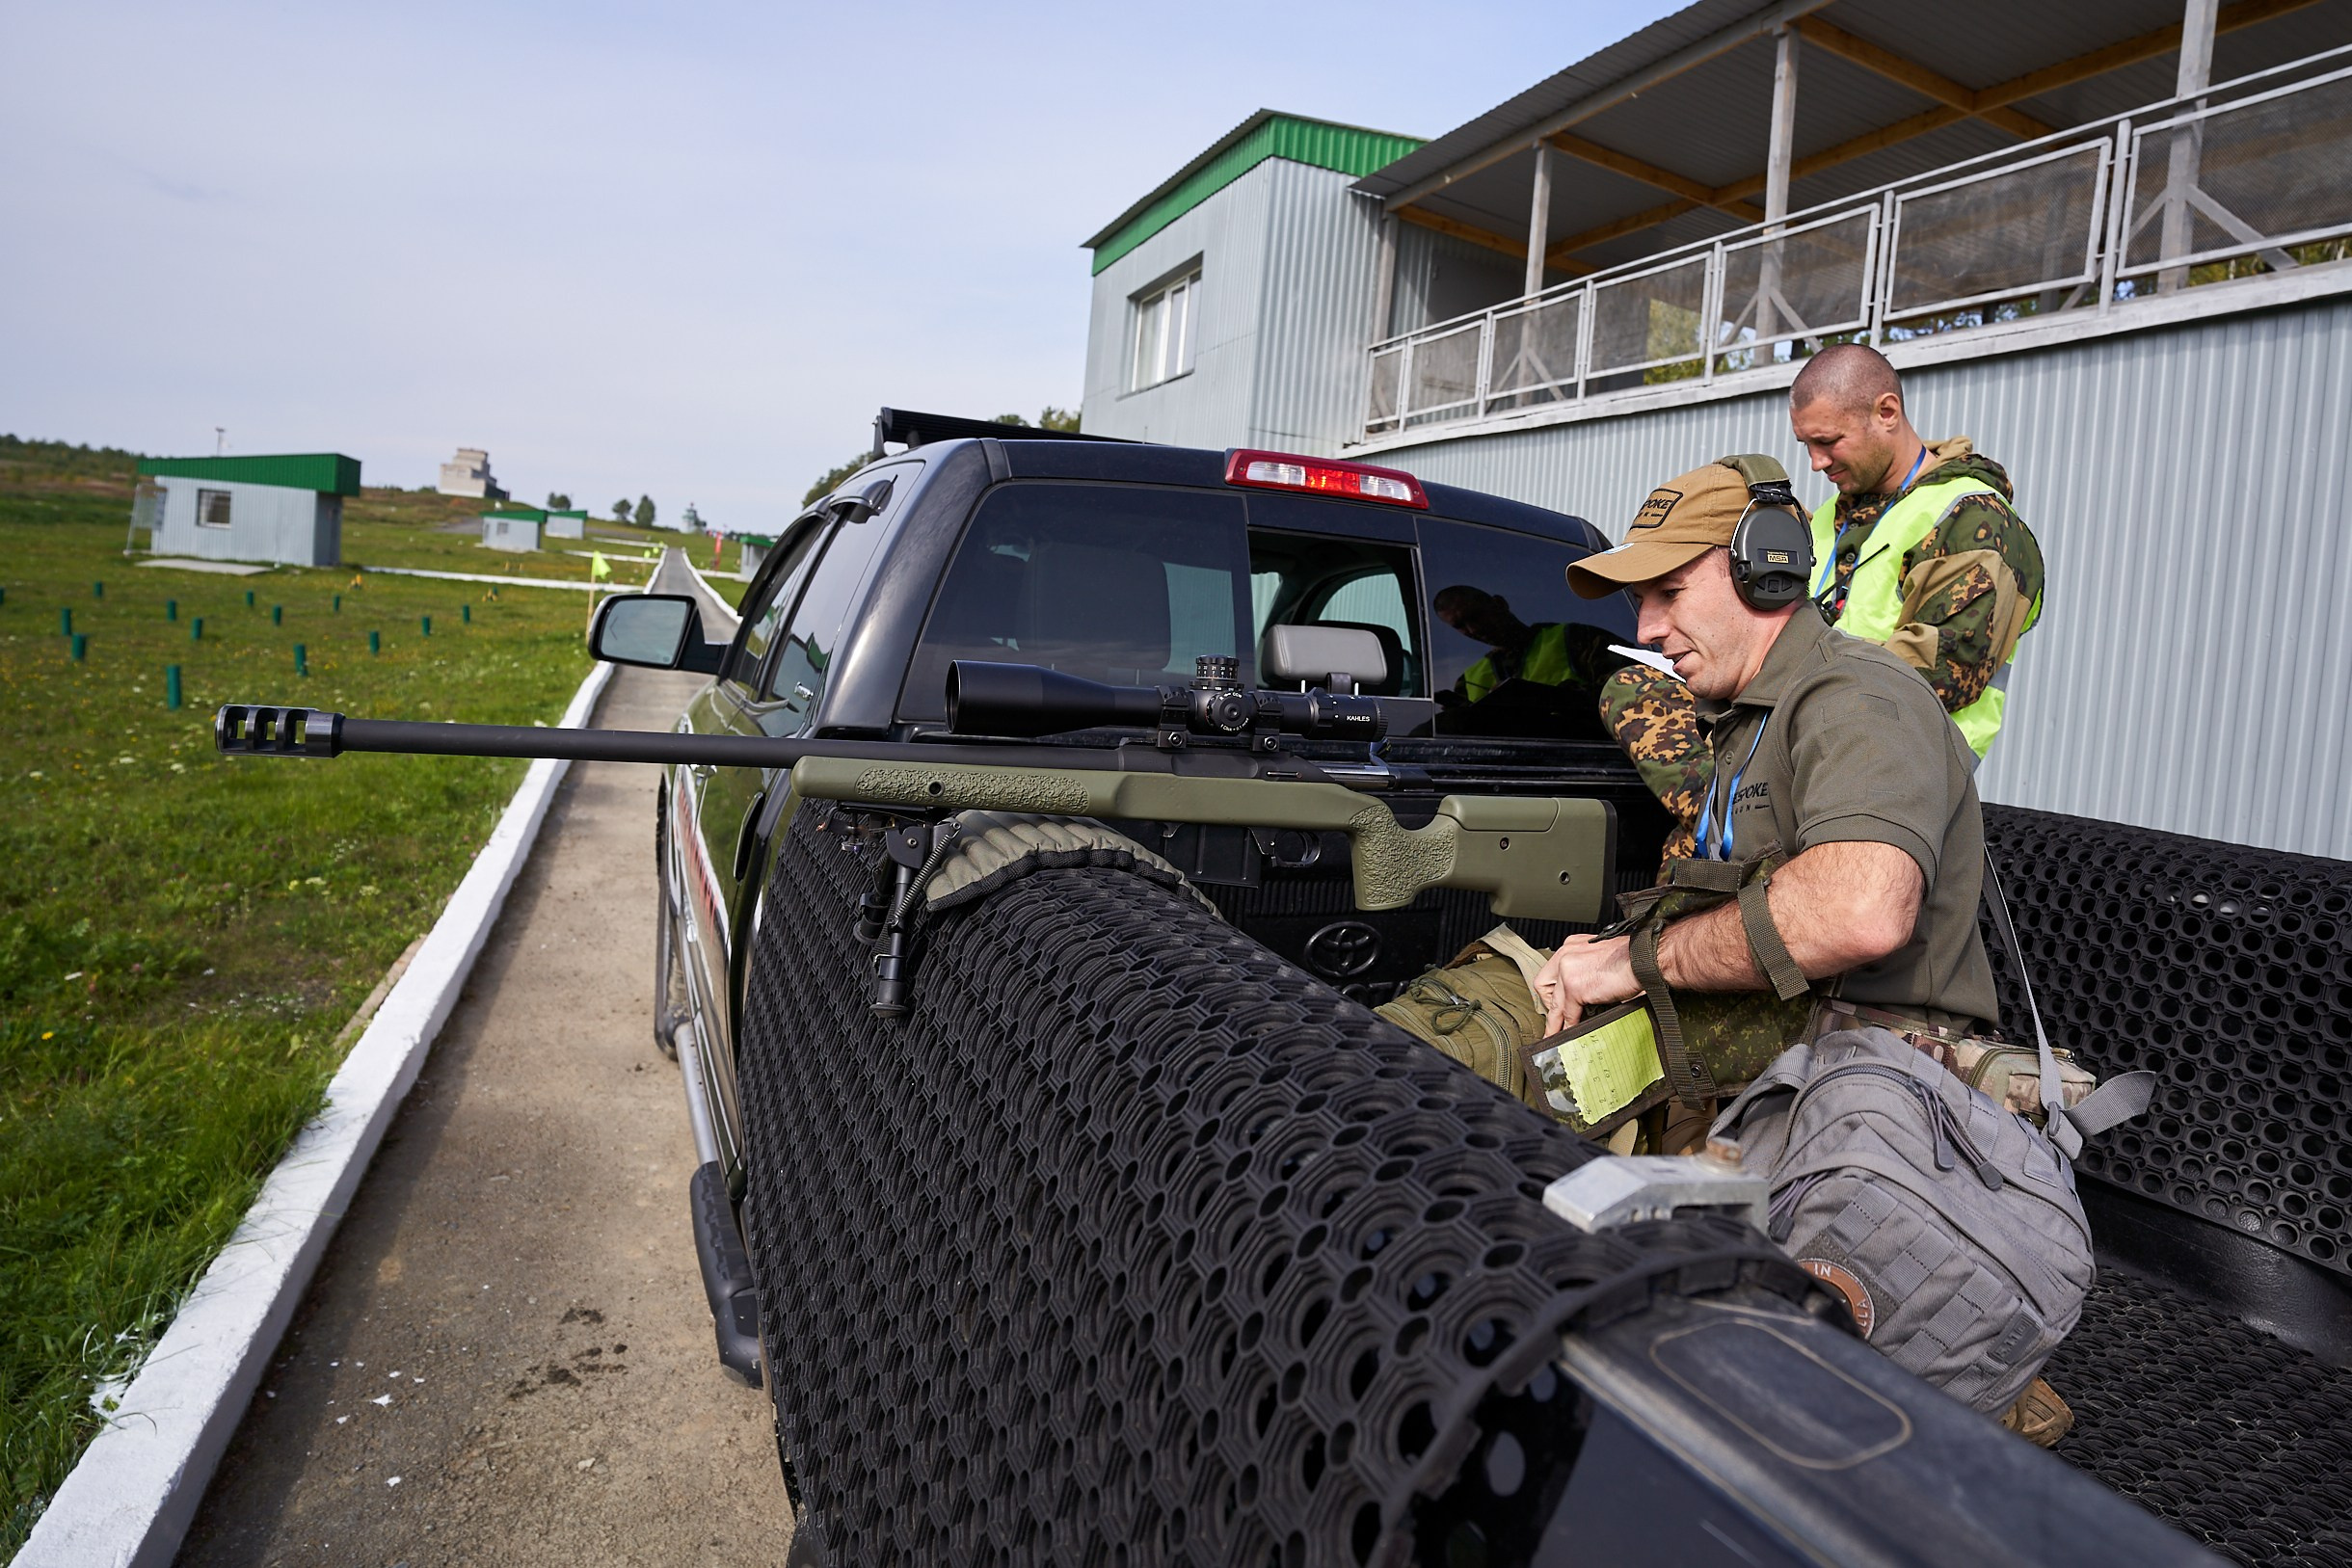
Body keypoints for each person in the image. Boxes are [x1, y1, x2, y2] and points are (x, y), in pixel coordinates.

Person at [1597, 344, 2044, 857]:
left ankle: (1730, 814)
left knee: (1693, 858)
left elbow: (1938, 677)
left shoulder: (1972, 520)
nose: (1816, 462)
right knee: (1635, 688)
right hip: (1792, 723)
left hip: (1885, 755)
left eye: (1828, 442)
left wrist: (1775, 687)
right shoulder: (1829, 516)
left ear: (1887, 413)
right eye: (1805, 444)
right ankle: (1729, 811)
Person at [1430, 585, 1621, 706]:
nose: (1473, 629)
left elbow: (1628, 692)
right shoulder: (1468, 680)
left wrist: (1540, 697)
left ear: (1499, 603)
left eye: (1476, 616)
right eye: (1460, 626)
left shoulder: (1577, 639)